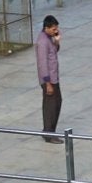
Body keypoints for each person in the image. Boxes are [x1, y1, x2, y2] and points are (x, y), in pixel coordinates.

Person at [36, 12, 63, 140]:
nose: (56, 31)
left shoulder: (49, 39)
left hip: (54, 77)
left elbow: (54, 52)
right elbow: (42, 64)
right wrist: (47, 83)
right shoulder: (42, 42)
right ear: (46, 28)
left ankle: (51, 130)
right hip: (49, 80)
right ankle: (48, 133)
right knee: (51, 106)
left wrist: (56, 42)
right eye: (54, 29)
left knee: (57, 103)